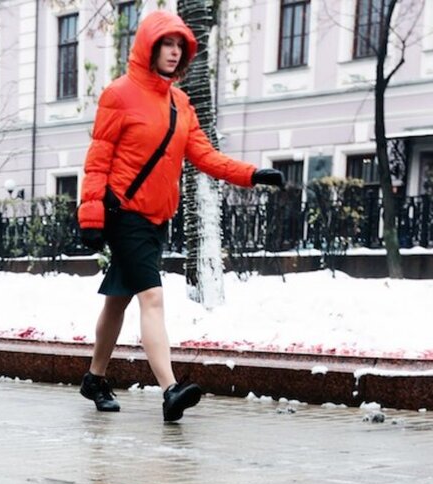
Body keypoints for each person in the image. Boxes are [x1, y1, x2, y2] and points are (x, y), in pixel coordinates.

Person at [77, 11, 283, 423]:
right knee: (151, 298)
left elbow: (204, 155)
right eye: (166, 44)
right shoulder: (119, 94)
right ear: (149, 47)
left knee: (118, 300)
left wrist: (251, 174)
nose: (173, 53)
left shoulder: (180, 104)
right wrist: (92, 217)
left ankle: (95, 378)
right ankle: (170, 389)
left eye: (179, 47)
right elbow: (98, 160)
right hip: (125, 215)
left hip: (156, 218)